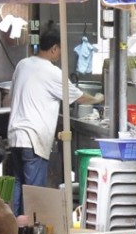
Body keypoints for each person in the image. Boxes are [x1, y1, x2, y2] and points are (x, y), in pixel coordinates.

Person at [7, 28, 103, 214]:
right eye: (60, 50)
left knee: (19, 184)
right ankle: (31, 231)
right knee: (34, 192)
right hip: (33, 139)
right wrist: (97, 99)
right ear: (53, 49)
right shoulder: (52, 72)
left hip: (15, 136)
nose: (60, 54)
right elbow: (78, 97)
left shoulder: (23, 64)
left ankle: (17, 229)